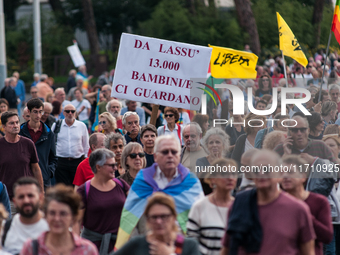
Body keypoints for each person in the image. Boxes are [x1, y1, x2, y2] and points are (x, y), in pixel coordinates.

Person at [114, 134, 204, 250]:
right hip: (149, 246)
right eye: (165, 152)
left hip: (182, 247)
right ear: (155, 156)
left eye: (174, 152)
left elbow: (200, 217)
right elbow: (130, 218)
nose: (170, 156)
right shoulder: (143, 180)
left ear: (179, 155)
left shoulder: (191, 181)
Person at [220, 150, 316, 255]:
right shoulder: (239, 204)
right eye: (256, 170)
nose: (261, 174)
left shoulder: (297, 209)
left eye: (266, 169)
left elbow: (308, 251)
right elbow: (226, 249)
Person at [77, 148, 130, 254]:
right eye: (111, 165)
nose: (115, 168)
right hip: (93, 247)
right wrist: (75, 247)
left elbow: (135, 208)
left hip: (120, 245)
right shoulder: (84, 190)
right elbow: (76, 222)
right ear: (98, 167)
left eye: (115, 164)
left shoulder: (121, 184)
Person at [21, 184, 98, 255]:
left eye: (63, 214)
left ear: (73, 218)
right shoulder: (31, 248)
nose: (57, 219)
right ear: (45, 216)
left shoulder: (88, 250)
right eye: (52, 213)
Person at [113, 192, 200, 255]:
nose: (159, 221)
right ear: (148, 220)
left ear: (174, 217)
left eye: (164, 216)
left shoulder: (189, 246)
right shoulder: (137, 244)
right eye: (154, 217)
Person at [281, 155, 333, 255]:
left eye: (291, 172)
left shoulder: (319, 201)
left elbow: (327, 236)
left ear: (303, 176)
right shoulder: (277, 202)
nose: (285, 177)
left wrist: (304, 214)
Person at [187, 158, 237, 255]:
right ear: (213, 179)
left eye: (233, 174)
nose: (230, 178)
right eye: (224, 174)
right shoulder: (199, 207)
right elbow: (192, 244)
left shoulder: (240, 207)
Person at [0, 112, 44, 202]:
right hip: (6, 197)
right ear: (4, 126)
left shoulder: (28, 143)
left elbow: (36, 169)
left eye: (17, 122)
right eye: (11, 123)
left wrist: (41, 192)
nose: (15, 125)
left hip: (27, 196)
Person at [3, 177, 48, 255]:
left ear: (40, 198)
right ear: (15, 202)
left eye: (30, 196)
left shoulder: (52, 227)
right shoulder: (5, 228)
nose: (26, 200)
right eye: (21, 197)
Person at [19, 99, 58, 189]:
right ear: (28, 111)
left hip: (44, 179)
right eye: (35, 112)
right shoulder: (20, 132)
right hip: (23, 179)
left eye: (40, 112)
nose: (38, 115)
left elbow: (53, 157)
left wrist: (48, 172)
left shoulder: (48, 133)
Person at [52, 104, 89, 186]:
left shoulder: (81, 126)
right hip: (60, 161)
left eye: (72, 111)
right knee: (61, 187)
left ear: (75, 113)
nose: (70, 113)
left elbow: (86, 144)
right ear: (63, 113)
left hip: (77, 162)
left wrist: (86, 159)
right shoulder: (57, 125)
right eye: (67, 111)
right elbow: (51, 142)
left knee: (76, 186)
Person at [196, 128, 230, 195]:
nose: (214, 145)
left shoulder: (228, 163)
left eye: (217, 142)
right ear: (207, 145)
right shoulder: (200, 161)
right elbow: (203, 181)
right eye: (211, 142)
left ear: (223, 145)